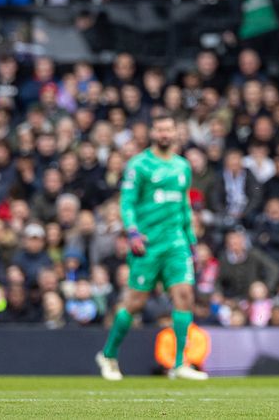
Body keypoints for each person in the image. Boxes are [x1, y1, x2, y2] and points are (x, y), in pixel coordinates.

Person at [96, 113, 207, 380]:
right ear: (153, 133)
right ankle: (108, 355)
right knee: (134, 303)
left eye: (169, 129)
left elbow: (184, 207)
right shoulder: (139, 165)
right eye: (160, 130)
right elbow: (127, 202)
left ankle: (180, 364)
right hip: (147, 245)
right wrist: (132, 231)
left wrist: (191, 243)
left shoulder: (183, 167)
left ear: (176, 133)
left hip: (176, 244)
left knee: (184, 297)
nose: (165, 134)